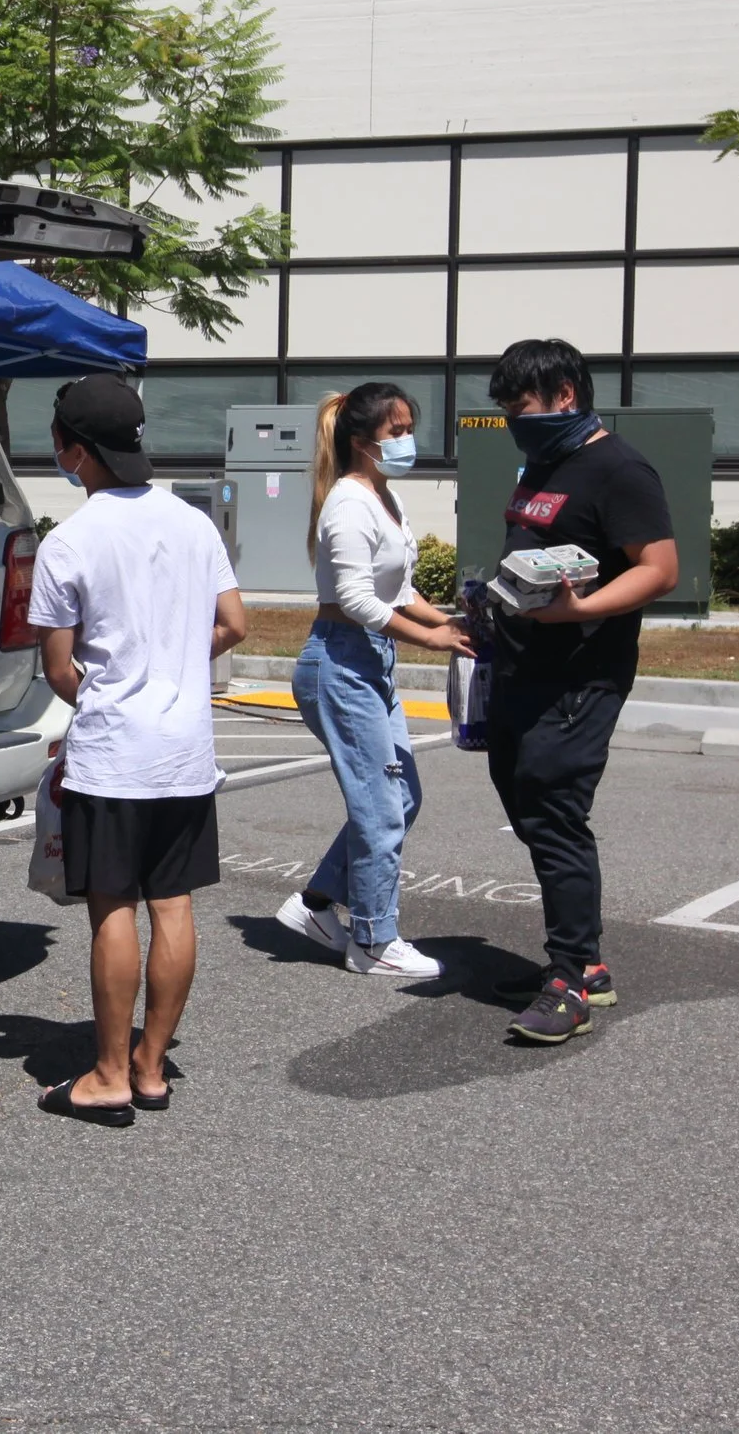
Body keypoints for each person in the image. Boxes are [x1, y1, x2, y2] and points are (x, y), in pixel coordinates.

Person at [27, 376, 247, 1127]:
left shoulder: (70, 541)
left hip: (115, 750)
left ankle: (108, 1072)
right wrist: (178, 657)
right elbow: (236, 622)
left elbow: (59, 667)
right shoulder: (193, 524)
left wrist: (107, 677)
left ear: (75, 450)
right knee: (173, 902)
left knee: (113, 906)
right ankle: (153, 1066)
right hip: (185, 748)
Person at [480, 340, 677, 1044]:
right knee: (526, 801)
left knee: (554, 807)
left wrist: (581, 612)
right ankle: (584, 959)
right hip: (520, 666)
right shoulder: (547, 461)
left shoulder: (619, 468)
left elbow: (659, 569)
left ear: (565, 394)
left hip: (579, 674)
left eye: (520, 407)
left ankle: (569, 982)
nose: (512, 421)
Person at [275, 382, 474, 978]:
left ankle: (314, 905)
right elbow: (358, 599)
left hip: (368, 661)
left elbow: (398, 588)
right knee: (382, 809)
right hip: (340, 664)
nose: (408, 440)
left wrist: (453, 622)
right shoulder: (349, 504)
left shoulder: (383, 497)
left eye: (410, 427)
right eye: (397, 431)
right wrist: (432, 640)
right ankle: (372, 942)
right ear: (362, 442)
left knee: (399, 798)